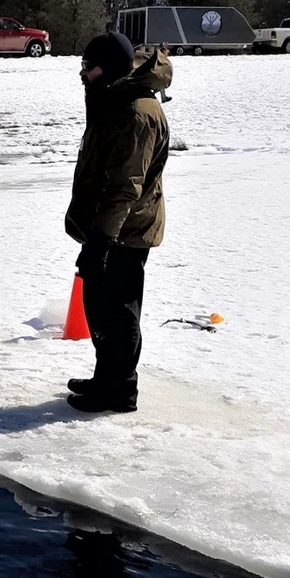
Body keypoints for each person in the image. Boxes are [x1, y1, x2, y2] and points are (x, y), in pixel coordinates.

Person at [64, 33, 172, 413]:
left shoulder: (136, 112)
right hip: (111, 227)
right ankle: (106, 378)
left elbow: (125, 186)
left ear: (107, 69)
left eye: (87, 68)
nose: (82, 75)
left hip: (126, 229)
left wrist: (100, 242)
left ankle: (120, 390)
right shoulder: (112, 96)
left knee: (118, 309)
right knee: (100, 305)